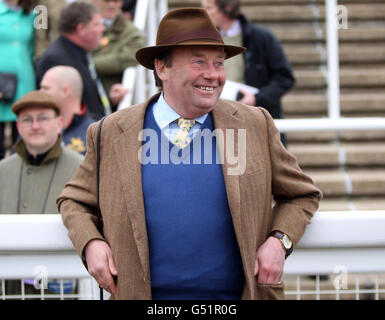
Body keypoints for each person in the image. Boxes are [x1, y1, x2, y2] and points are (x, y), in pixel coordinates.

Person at [57, 8, 322, 300]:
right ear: (161, 68)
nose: (213, 75)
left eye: (219, 63)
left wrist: (279, 241)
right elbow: (73, 201)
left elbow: (301, 194)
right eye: (198, 62)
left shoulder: (255, 123)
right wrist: (91, 242)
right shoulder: (110, 131)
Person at [201, 0, 295, 146]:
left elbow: (284, 78)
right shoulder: (204, 40)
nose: (204, 13)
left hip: (256, 118)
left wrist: (256, 98)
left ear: (226, 8)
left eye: (208, 8)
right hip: (217, 117)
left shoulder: (262, 37)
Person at [0, 90, 83, 214]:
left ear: (59, 124)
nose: (35, 126)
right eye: (27, 120)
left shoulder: (81, 169)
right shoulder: (3, 170)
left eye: (43, 118)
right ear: (18, 127)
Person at [36, 1, 110, 120]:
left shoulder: (81, 52)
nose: (103, 29)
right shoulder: (55, 60)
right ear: (81, 29)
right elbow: (61, 110)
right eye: (96, 24)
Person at [92, 0, 145, 111]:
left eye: (116, 1)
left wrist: (88, 63)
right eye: (106, 1)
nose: (111, 5)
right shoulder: (82, 25)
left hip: (109, 101)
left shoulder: (131, 32)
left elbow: (132, 56)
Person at [0, 0, 36, 160]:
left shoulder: (32, 14)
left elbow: (34, 48)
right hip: (2, 82)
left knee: (22, 137)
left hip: (24, 81)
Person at [40, 66, 96, 155]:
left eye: (46, 88)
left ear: (65, 91)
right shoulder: (34, 127)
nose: (40, 93)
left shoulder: (96, 133)